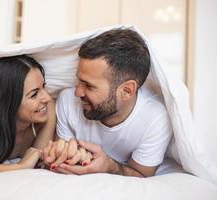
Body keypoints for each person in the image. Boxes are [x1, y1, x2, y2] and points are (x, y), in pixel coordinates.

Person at [43, 28, 173, 177]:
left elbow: (141, 176)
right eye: (79, 81)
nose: (77, 92)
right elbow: (60, 161)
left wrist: (109, 166)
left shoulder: (155, 118)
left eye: (89, 85)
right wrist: (60, 154)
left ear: (127, 91)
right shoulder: (67, 101)